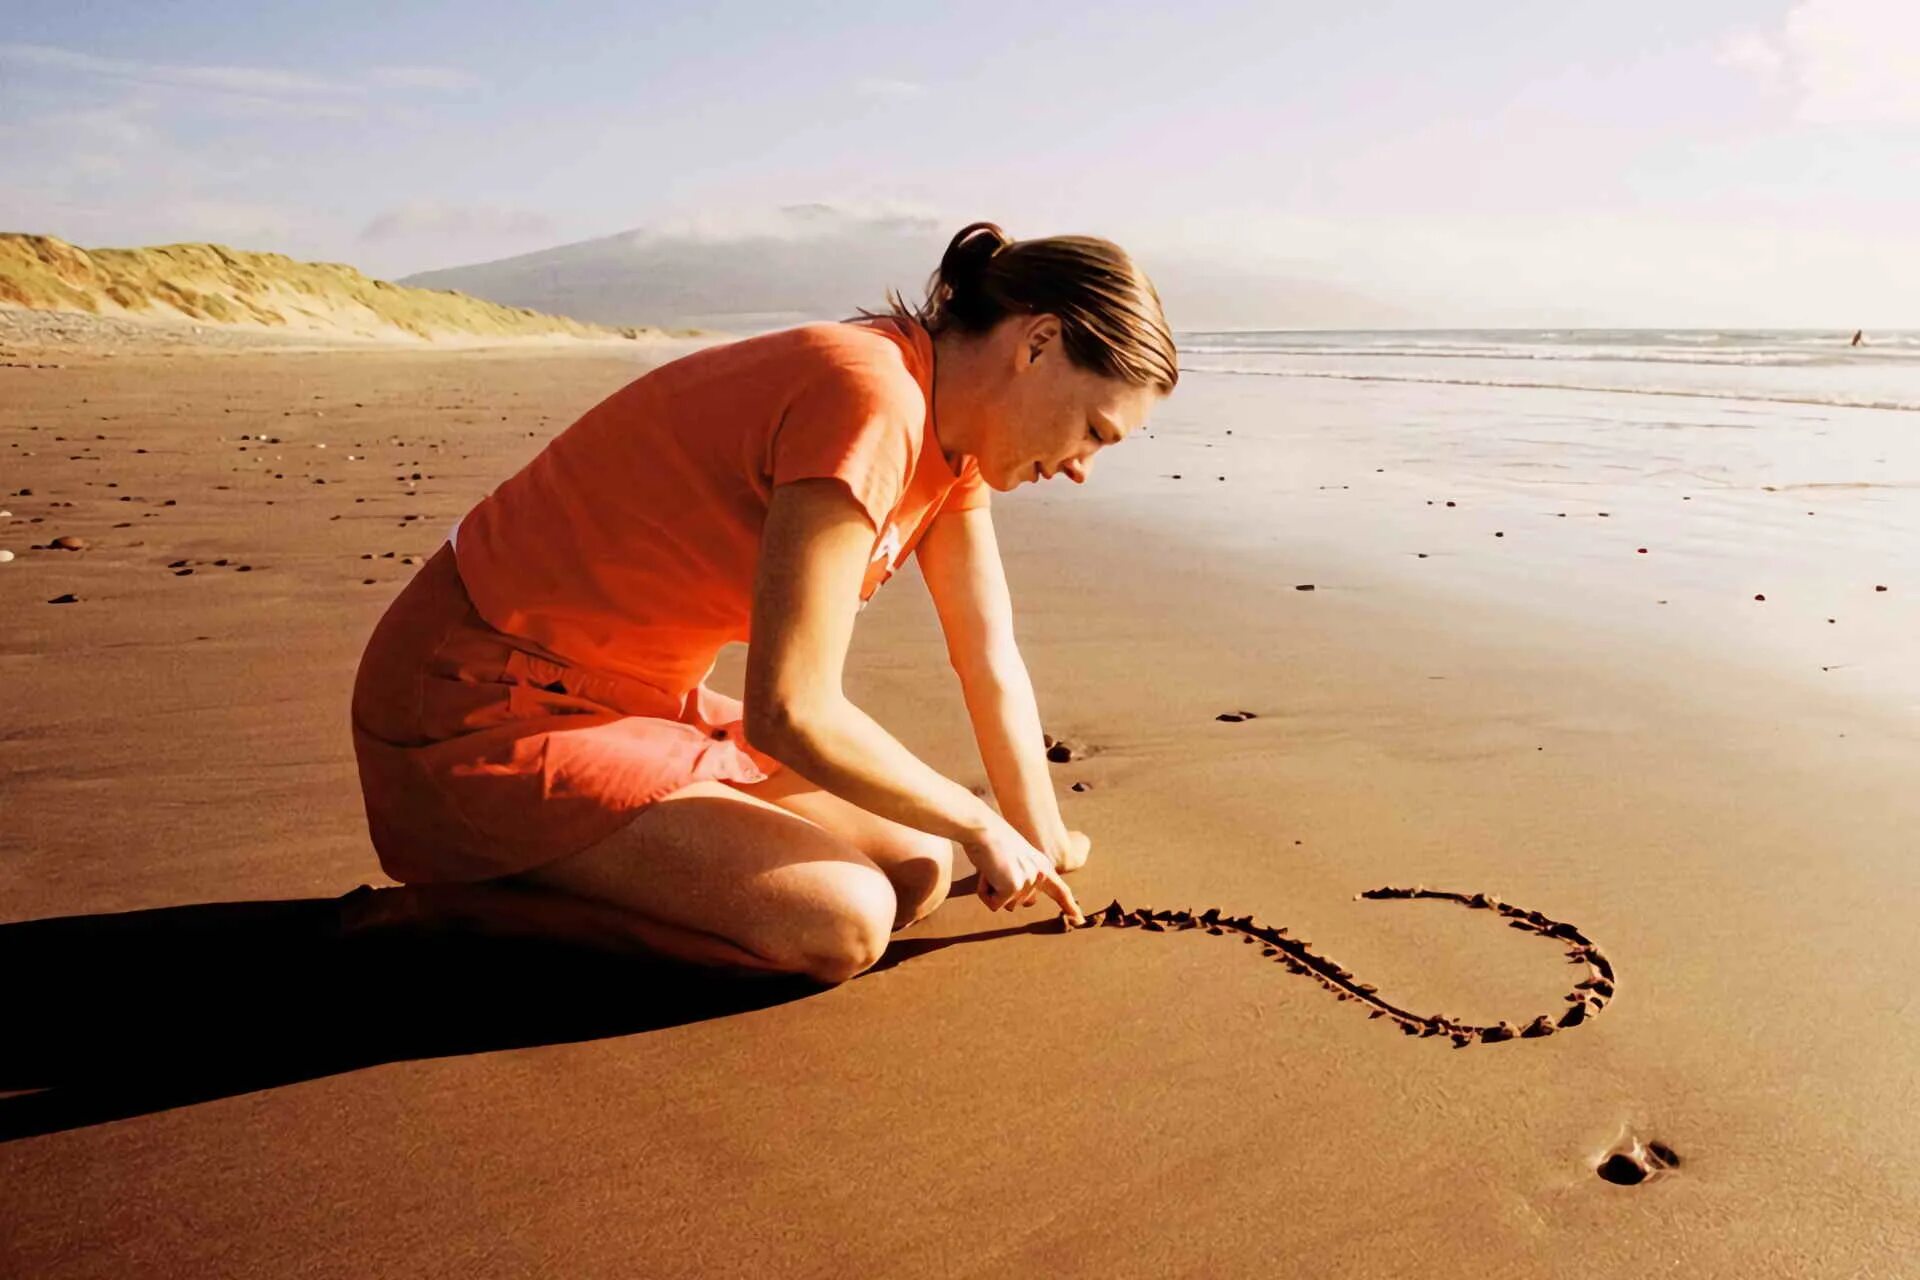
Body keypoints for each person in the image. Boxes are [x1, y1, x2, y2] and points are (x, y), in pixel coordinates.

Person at [344, 221, 1178, 985]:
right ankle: (465, 906)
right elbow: (788, 710)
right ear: (1038, 342)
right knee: (841, 925)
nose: (1082, 468)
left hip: (637, 704)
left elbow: (988, 655)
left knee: (916, 868)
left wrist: (1039, 836)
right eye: (1097, 431)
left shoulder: (954, 443)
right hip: (477, 700)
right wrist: (979, 824)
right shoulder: (868, 397)